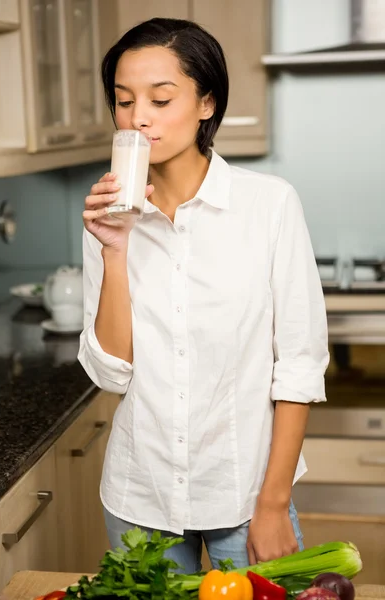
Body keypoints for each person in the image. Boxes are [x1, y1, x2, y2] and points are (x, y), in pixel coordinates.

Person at [78, 17, 329, 574]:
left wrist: (272, 504)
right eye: (123, 101)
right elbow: (112, 373)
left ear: (206, 104)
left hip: (246, 498)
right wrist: (113, 252)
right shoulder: (106, 217)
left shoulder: (269, 206)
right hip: (139, 496)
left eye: (160, 99)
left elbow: (299, 366)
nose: (137, 117)